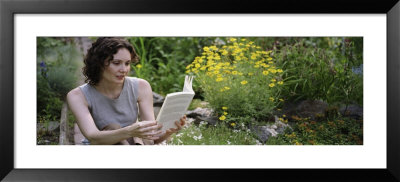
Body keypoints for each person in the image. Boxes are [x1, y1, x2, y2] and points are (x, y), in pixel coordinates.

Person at [67, 37, 186, 145]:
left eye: (127, 63)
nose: (124, 70)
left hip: (134, 143)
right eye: (116, 63)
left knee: (138, 138)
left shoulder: (141, 86)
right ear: (99, 64)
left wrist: (169, 131)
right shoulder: (77, 96)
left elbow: (151, 139)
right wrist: (130, 131)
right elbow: (93, 136)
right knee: (113, 128)